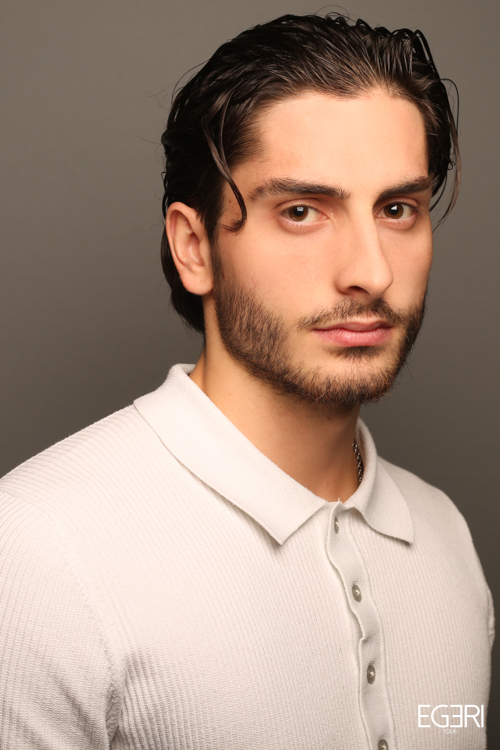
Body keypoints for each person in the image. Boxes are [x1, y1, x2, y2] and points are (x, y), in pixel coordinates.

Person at [0, 13, 494, 750]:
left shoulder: (445, 537)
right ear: (194, 248)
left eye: (398, 210)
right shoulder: (38, 552)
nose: (371, 271)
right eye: (302, 211)